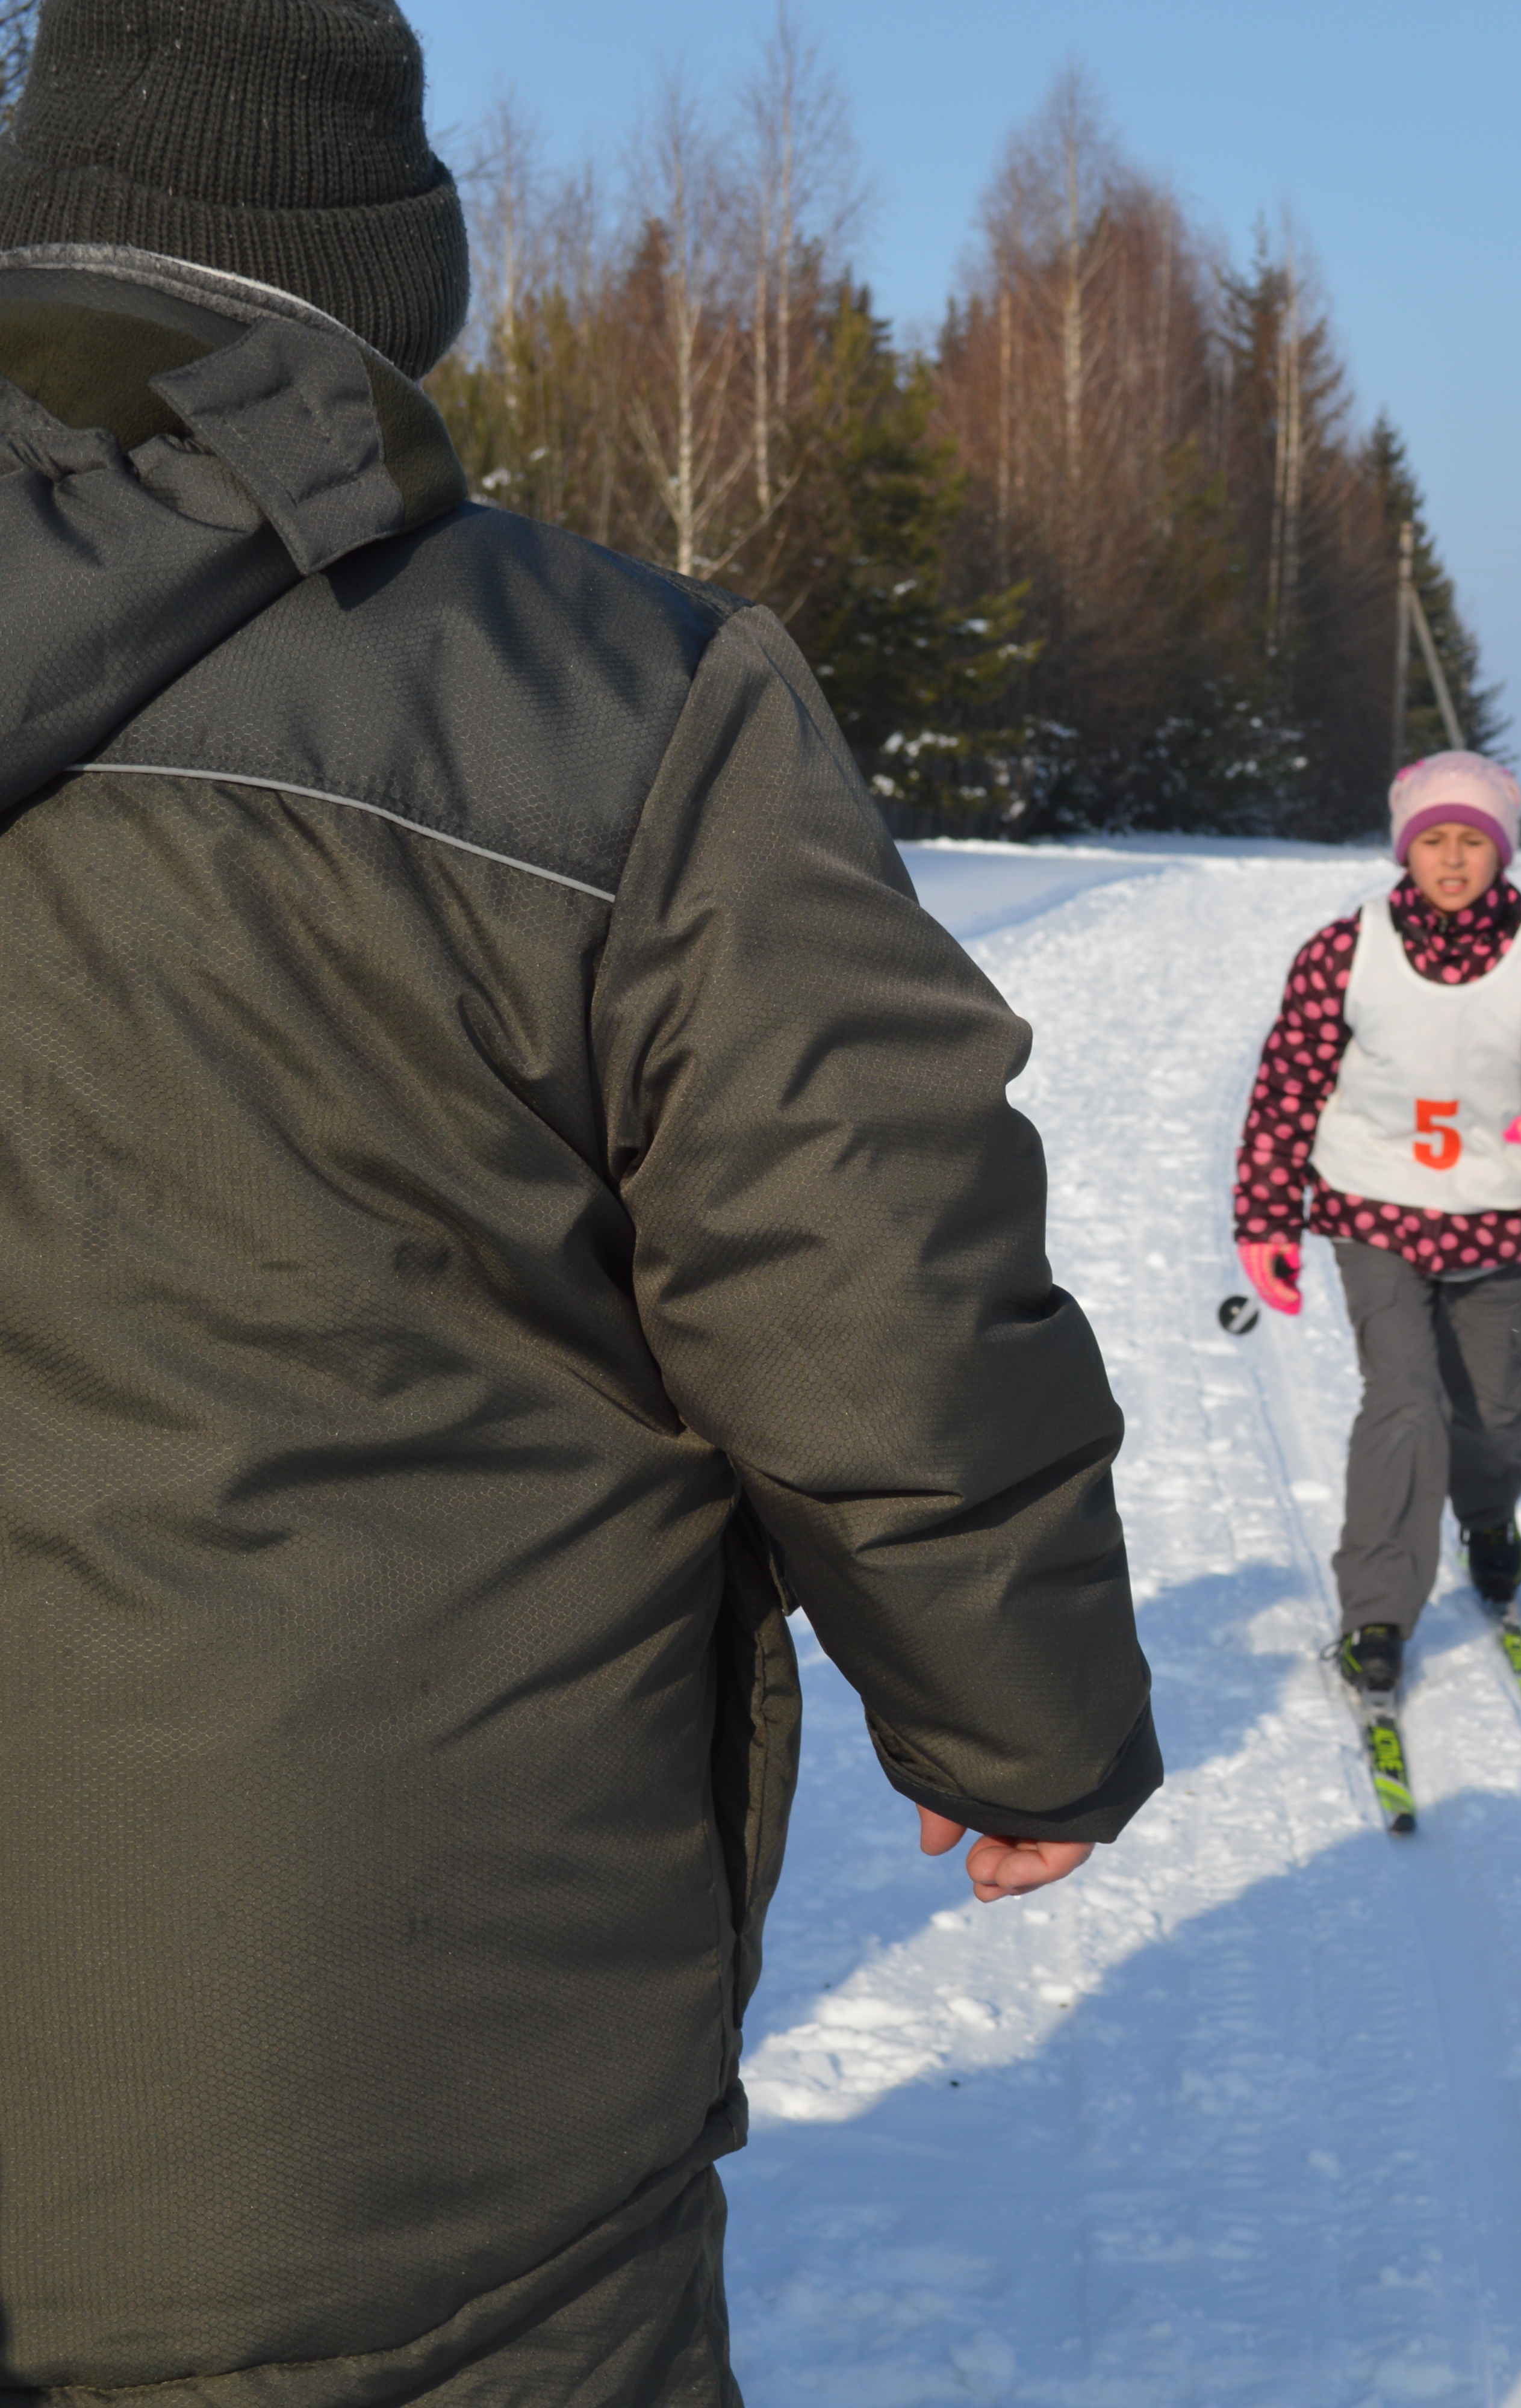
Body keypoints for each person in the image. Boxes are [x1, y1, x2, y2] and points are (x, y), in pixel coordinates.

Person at [0, 4, 1161, 2400]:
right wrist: (1017, 1714)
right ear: (389, 278)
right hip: (383, 2135)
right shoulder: (617, 701)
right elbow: (871, 1274)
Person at [1233, 752, 1521, 1693]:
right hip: (1372, 1206)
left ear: (1501, 853)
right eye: (1433, 842)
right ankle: (1377, 1608)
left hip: (1497, 1217)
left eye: (1473, 843)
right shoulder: (1345, 950)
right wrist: (1267, 1219)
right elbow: (1287, 1086)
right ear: (1405, 851)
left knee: (1490, 1414)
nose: (1452, 861)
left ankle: (1488, 1515)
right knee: (1405, 1403)